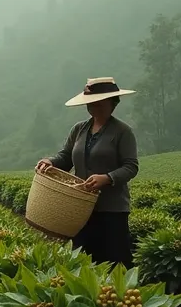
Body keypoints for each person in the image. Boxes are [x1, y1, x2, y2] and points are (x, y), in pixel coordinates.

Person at [34, 76, 140, 267]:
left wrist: (107, 178)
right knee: (83, 259)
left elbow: (131, 166)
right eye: (90, 103)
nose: (93, 107)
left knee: (114, 262)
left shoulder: (123, 132)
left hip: (111, 209)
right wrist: (49, 162)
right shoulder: (79, 129)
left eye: (98, 102)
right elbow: (66, 157)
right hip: (79, 208)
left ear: (112, 102)